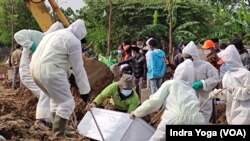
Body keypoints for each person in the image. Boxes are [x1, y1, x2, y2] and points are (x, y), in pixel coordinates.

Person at [30, 19, 91, 138]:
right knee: (67, 103)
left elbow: (57, 58)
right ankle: (58, 136)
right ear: (80, 35)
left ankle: (58, 130)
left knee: (55, 99)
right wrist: (85, 91)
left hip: (34, 69)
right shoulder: (73, 40)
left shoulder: (54, 35)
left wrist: (70, 76)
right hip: (50, 71)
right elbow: (79, 68)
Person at [130, 59, 205, 141]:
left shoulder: (171, 83)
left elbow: (154, 103)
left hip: (174, 119)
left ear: (177, 72)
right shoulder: (191, 89)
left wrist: (137, 112)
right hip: (197, 120)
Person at [14, 21, 64, 130]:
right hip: (28, 71)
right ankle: (40, 121)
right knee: (46, 92)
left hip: (37, 72)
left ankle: (50, 120)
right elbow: (17, 35)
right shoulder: (38, 36)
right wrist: (34, 47)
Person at [209, 45, 250, 124]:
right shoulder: (227, 76)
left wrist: (235, 90)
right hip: (231, 111)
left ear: (231, 62)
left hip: (244, 111)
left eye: (225, 63)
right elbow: (227, 94)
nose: (223, 65)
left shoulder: (245, 74)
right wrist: (218, 93)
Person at [182, 41, 219, 123]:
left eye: (188, 57)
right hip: (189, 103)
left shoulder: (205, 65)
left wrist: (203, 83)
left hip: (204, 101)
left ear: (193, 55)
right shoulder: (183, 67)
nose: (186, 59)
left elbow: (216, 78)